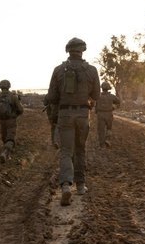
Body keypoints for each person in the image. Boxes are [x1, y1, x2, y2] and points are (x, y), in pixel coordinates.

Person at [46, 37, 100, 206]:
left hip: (65, 115)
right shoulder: (91, 70)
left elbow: (53, 96)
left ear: (68, 50)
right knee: (80, 149)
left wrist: (48, 100)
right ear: (82, 50)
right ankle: (81, 185)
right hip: (83, 115)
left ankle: (66, 187)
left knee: (66, 152)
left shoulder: (58, 70)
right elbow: (97, 96)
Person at [0, 79, 24, 162]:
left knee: (4, 138)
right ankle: (5, 153)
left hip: (2, 122)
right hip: (11, 121)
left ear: (0, 86)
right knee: (10, 139)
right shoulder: (13, 96)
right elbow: (21, 110)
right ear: (9, 86)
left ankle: (7, 152)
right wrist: (15, 114)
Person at [95, 81, 120, 147]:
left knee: (101, 130)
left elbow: (95, 104)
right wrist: (114, 107)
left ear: (102, 88)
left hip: (100, 114)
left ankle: (102, 144)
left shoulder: (98, 96)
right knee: (109, 128)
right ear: (108, 88)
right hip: (109, 114)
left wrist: (96, 111)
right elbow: (118, 102)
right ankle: (107, 140)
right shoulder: (112, 96)